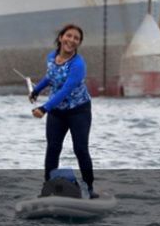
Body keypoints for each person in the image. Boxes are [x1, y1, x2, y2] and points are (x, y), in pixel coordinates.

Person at [30, 24, 98, 199]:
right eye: (69, 36)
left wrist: (44, 108)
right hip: (57, 112)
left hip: (79, 111)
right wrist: (36, 90)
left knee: (80, 149)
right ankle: (48, 187)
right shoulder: (51, 57)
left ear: (78, 43)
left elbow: (65, 90)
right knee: (53, 149)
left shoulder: (78, 64)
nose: (72, 40)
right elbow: (50, 77)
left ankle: (89, 188)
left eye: (76, 38)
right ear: (61, 37)